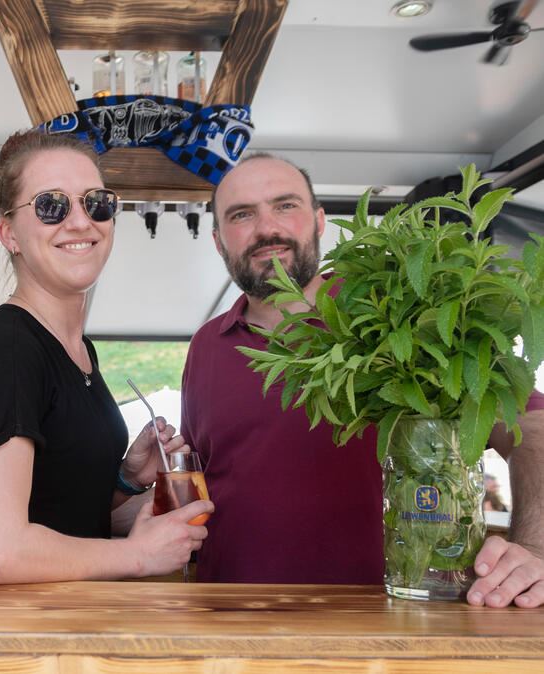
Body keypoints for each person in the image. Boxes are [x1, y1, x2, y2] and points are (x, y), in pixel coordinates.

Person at [182, 152, 544, 607]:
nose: (266, 227)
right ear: (218, 240)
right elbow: (201, 482)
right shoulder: (206, 346)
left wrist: (534, 548)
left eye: (285, 205)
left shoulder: (398, 316)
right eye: (242, 214)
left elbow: (532, 426)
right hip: (231, 628)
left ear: (319, 222)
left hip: (388, 625)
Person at [0, 130, 212, 584]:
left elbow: (65, 516)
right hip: (25, 644)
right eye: (52, 205)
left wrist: (126, 480)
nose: (81, 221)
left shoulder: (79, 350)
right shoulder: (6, 347)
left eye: (96, 202)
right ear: (10, 234)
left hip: (76, 629)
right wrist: (140, 556)